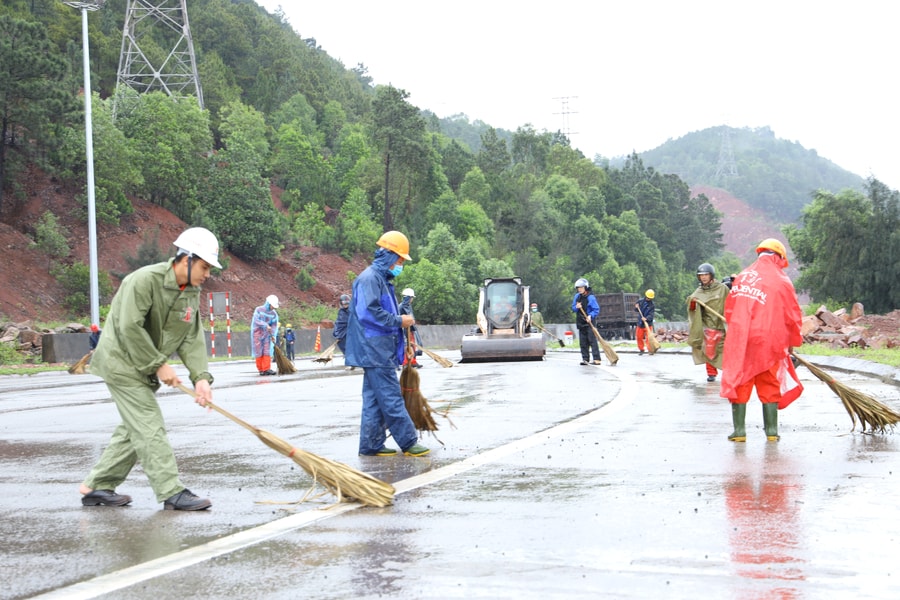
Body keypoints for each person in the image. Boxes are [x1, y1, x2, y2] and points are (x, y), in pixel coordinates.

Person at [78, 227, 220, 511]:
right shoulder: (143, 280)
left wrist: (201, 378)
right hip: (121, 363)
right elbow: (130, 327)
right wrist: (159, 364)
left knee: (135, 428)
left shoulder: (191, 292)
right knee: (149, 425)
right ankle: (171, 491)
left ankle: (97, 485)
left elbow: (191, 336)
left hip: (144, 367)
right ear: (186, 259)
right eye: (204, 266)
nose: (207, 274)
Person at [344, 230, 429, 457]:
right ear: (390, 256)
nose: (401, 265)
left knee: (373, 399)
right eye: (400, 260)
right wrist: (400, 321)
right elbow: (369, 313)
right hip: (374, 349)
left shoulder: (381, 279)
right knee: (391, 397)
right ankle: (409, 441)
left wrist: (402, 336)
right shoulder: (370, 279)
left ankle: (371, 445)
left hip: (378, 349)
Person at [721, 239, 804, 442]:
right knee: (769, 381)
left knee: (741, 380)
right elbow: (792, 313)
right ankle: (772, 432)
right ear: (778, 257)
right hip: (769, 340)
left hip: (742, 339)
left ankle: (739, 432)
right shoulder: (782, 280)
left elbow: (730, 310)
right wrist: (792, 340)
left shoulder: (743, 276)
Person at [687, 263, 729, 382]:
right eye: (701, 275)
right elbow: (692, 308)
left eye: (706, 275)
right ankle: (711, 373)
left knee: (725, 350)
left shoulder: (722, 289)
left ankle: (729, 372)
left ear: (711, 275)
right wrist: (693, 302)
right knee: (709, 350)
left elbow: (731, 303)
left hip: (722, 324)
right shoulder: (698, 292)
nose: (704, 277)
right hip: (708, 325)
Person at [572, 277, 602, 365]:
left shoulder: (591, 297)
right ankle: (585, 359)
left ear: (585, 287)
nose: (579, 290)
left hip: (589, 322)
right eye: (578, 288)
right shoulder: (577, 297)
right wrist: (576, 307)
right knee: (583, 342)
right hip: (581, 322)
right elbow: (573, 308)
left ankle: (597, 359)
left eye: (581, 288)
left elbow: (596, 309)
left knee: (592, 341)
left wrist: (590, 316)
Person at [252, 294, 279, 376]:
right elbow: (256, 320)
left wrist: (273, 335)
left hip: (267, 334)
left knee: (267, 351)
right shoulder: (259, 310)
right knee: (258, 351)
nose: (273, 308)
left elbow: (274, 325)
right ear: (268, 303)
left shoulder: (274, 314)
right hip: (258, 334)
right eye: (272, 306)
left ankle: (266, 368)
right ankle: (261, 369)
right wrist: (265, 325)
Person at [399, 288, 421, 368]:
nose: (412, 299)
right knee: (407, 346)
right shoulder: (402, 306)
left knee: (413, 346)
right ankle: (406, 362)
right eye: (411, 298)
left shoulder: (409, 306)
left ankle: (413, 361)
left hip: (411, 329)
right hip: (405, 329)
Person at [634, 290, 656, 355]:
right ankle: (641, 349)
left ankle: (650, 350)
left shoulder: (652, 305)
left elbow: (651, 315)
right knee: (639, 337)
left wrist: (646, 318)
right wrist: (636, 307)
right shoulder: (640, 301)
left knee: (649, 338)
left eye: (649, 298)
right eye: (647, 297)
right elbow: (636, 310)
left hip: (648, 324)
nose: (648, 299)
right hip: (640, 324)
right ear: (645, 296)